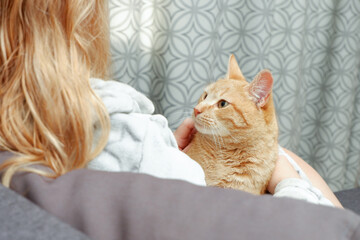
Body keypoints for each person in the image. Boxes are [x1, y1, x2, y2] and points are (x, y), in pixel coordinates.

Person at [0, 0, 342, 209]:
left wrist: (171, 154)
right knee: (291, 162)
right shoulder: (123, 131)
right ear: (79, 23)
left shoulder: (18, 123)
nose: (199, 107)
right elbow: (326, 228)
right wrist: (287, 180)